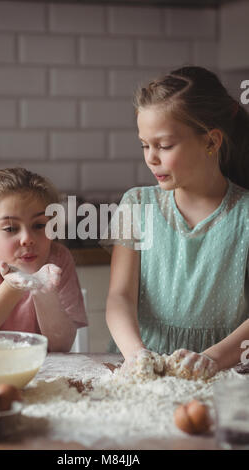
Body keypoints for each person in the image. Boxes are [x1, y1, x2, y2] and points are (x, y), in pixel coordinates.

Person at [104, 66, 249, 379]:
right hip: (142, 370)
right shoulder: (137, 205)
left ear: (211, 142)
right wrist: (135, 354)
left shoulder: (245, 215)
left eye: (164, 146)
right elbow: (119, 297)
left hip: (223, 373)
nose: (151, 158)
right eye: (145, 144)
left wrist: (211, 358)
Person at [0, 167, 87, 352]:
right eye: (11, 229)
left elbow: (61, 346)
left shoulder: (58, 258)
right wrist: (11, 288)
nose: (27, 238)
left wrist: (43, 291)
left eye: (39, 225)